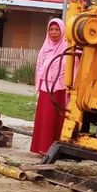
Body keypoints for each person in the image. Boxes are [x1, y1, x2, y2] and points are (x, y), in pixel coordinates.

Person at [30, 18, 68, 156]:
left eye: (57, 29)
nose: (54, 32)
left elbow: (73, 66)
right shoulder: (45, 48)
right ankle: (42, 148)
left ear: (62, 31)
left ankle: (57, 149)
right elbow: (39, 66)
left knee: (56, 119)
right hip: (46, 89)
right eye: (51, 29)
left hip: (60, 89)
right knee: (45, 118)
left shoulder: (67, 47)